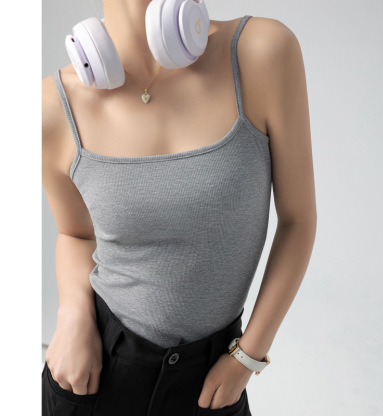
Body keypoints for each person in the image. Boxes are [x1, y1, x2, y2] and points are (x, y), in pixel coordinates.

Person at [42, 1, 317, 415]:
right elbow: (75, 233)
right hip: (94, 375)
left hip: (214, 380)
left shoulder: (262, 52)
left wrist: (248, 356)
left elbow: (298, 220)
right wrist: (72, 315)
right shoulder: (52, 104)